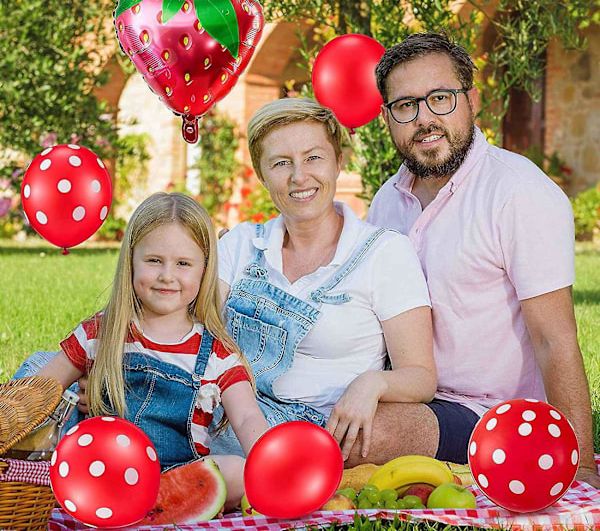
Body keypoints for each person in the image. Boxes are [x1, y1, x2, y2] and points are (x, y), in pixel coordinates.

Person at [355, 31, 600, 487]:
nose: (424, 119)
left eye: (440, 98)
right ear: (387, 118)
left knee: (367, 437)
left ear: (472, 100)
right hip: (413, 393)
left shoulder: (518, 193)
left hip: (498, 417)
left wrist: (581, 466)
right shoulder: (387, 201)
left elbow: (556, 340)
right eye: (406, 106)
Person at [208, 97, 437, 463]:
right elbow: (193, 333)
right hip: (229, 418)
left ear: (338, 163)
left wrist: (373, 383)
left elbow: (422, 377)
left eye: (313, 157)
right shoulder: (241, 244)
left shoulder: (384, 252)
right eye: (282, 163)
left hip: (323, 430)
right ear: (262, 174)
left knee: (412, 427)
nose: (299, 176)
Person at [31, 193, 269, 509]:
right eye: (154, 260)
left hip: (177, 478)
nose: (167, 275)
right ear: (131, 260)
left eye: (183, 263)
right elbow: (39, 389)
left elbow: (247, 416)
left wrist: (272, 464)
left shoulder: (218, 354)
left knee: (237, 471)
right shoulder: (102, 332)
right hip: (99, 473)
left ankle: (156, 506)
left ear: (204, 269)